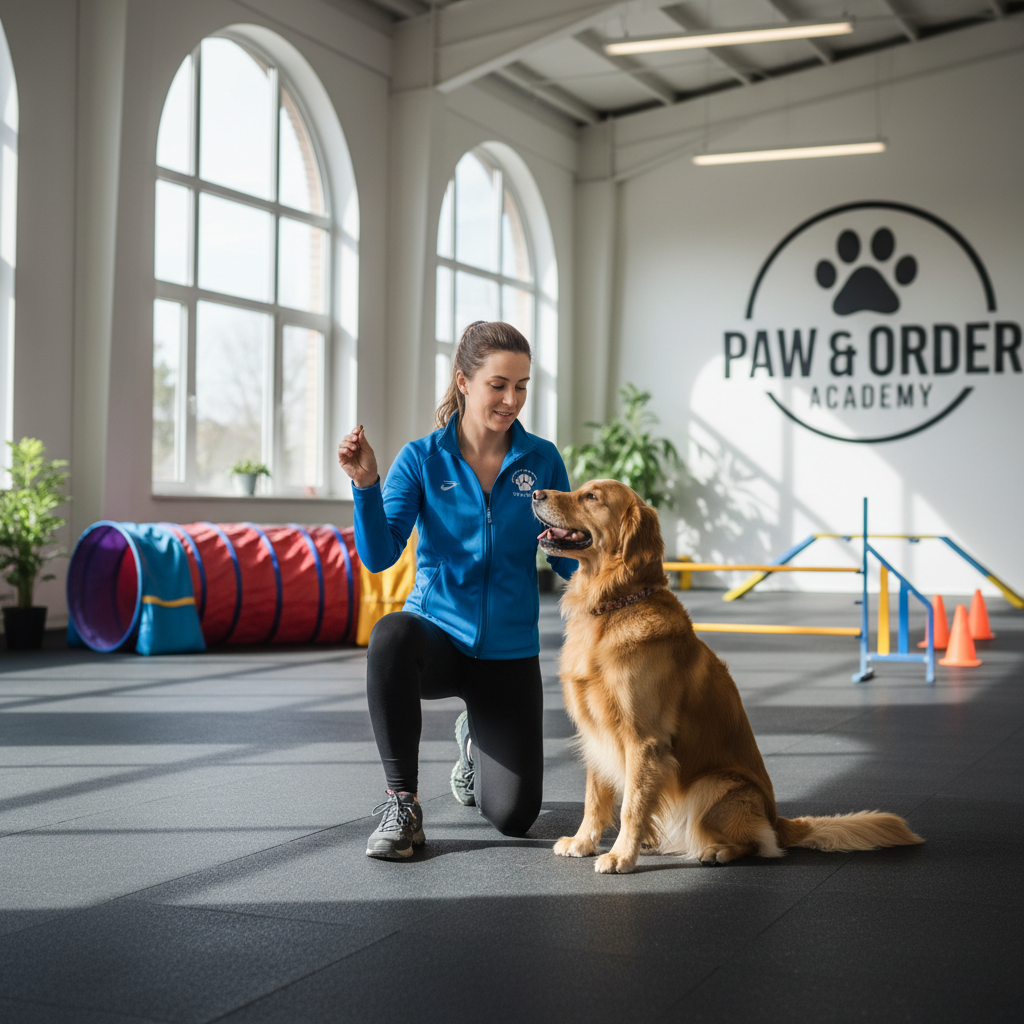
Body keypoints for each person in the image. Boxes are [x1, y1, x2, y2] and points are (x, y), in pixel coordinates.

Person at [337, 320, 575, 860]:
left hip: (508, 653)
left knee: (514, 818)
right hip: (438, 638)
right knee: (391, 635)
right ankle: (402, 804)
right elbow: (378, 556)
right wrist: (366, 486)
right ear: (464, 381)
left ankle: (472, 741)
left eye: (521, 386)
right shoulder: (422, 458)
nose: (512, 399)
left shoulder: (541, 461)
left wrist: (577, 550)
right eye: (498, 384)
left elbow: (565, 568)